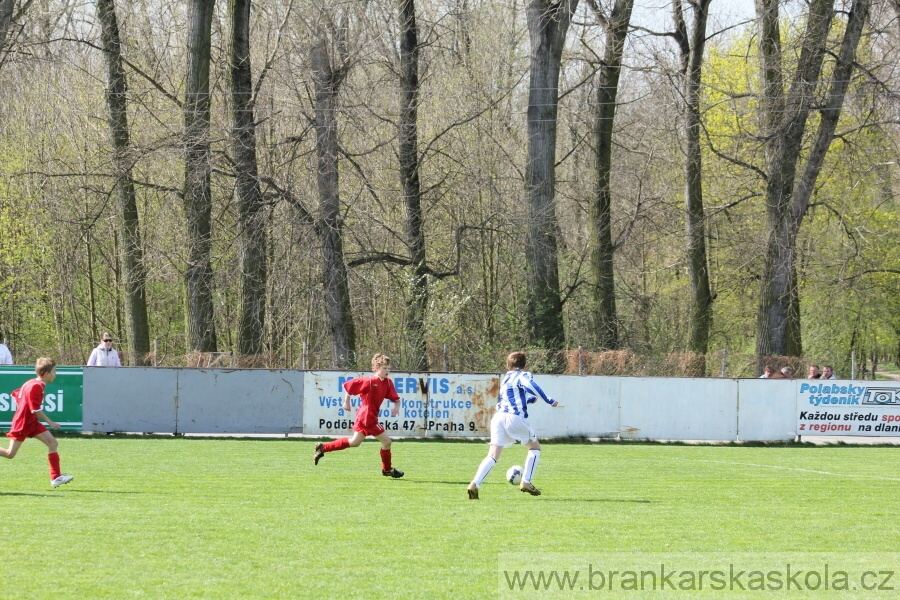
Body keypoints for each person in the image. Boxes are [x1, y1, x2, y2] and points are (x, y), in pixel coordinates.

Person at [467, 351, 560, 500]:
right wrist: (549, 400)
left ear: (508, 365)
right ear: (524, 365)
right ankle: (526, 482)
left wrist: (528, 400)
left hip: (498, 418)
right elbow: (531, 385)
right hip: (514, 418)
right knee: (535, 448)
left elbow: (511, 397)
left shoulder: (506, 378)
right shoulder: (523, 375)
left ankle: (475, 484)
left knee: (492, 455)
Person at [313, 353, 404, 478]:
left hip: (368, 417)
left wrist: (396, 407)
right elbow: (347, 386)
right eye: (384, 368)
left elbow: (396, 399)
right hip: (367, 417)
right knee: (387, 442)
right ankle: (387, 469)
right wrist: (346, 401)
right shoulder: (369, 381)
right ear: (376, 368)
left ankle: (323, 447)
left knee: (354, 442)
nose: (387, 370)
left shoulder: (387, 383)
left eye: (388, 368)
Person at [0, 357, 74, 488]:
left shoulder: (32, 382)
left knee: (53, 443)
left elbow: (16, 395)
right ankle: (56, 477)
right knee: (9, 454)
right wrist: (51, 423)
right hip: (23, 423)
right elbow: (36, 409)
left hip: (31, 422)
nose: (55, 374)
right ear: (46, 373)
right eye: (54, 371)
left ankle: (56, 477)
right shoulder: (36, 386)